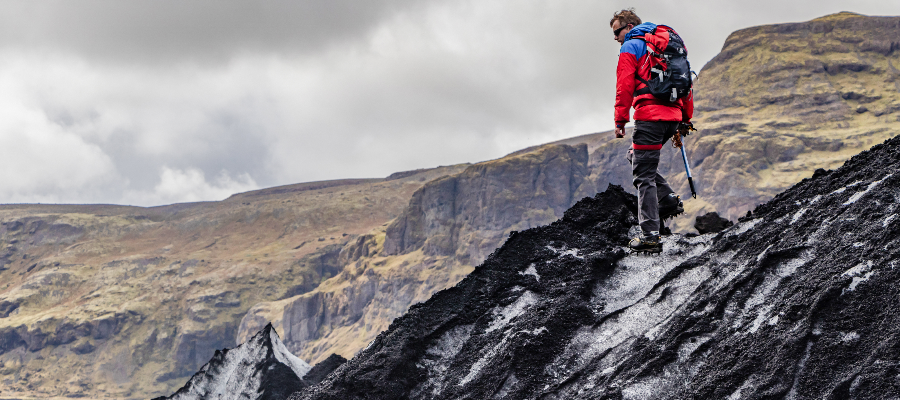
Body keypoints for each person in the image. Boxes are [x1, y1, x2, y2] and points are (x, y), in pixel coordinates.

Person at [610, 8, 693, 253]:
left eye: (616, 32)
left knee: (643, 176)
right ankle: (666, 198)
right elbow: (686, 81)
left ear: (628, 27)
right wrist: (685, 118)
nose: (615, 38)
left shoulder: (632, 45)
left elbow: (624, 85)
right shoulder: (668, 42)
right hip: (673, 117)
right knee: (635, 157)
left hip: (650, 116)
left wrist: (620, 120)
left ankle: (650, 237)